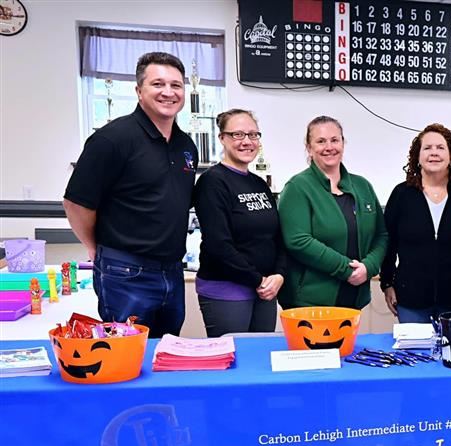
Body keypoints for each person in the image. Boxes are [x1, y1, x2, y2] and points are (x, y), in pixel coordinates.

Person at [63, 52, 198, 338]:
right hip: (125, 272)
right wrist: (94, 245)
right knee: (126, 358)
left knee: (165, 353)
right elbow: (76, 202)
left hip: (172, 270)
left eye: (176, 85)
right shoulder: (112, 139)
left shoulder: (186, 146)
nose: (168, 92)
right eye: (157, 84)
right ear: (139, 91)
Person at [278, 116, 388, 309]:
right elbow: (298, 241)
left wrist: (368, 268)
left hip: (355, 298)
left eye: (334, 140)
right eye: (321, 141)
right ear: (309, 147)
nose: (329, 147)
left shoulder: (362, 186)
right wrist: (346, 270)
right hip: (310, 303)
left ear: (343, 143)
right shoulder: (297, 187)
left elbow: (381, 235)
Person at [193, 109, 285, 337]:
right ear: (222, 138)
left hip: (265, 290)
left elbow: (277, 237)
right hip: (227, 289)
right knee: (233, 362)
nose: (247, 141)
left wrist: (279, 275)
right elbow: (218, 245)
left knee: (260, 362)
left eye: (253, 135)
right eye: (238, 134)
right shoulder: (212, 182)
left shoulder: (259, 184)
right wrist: (258, 280)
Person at [381, 123, 451, 323]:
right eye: (427, 148)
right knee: (416, 354)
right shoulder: (401, 194)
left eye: (440, 148)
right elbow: (387, 243)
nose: (434, 153)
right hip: (411, 299)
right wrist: (387, 283)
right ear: (418, 156)